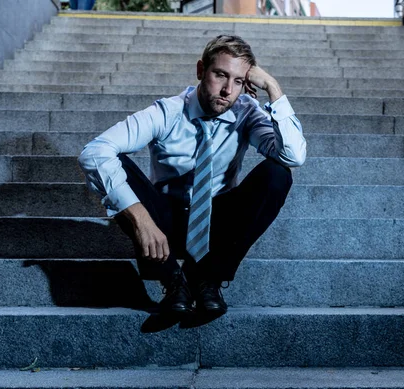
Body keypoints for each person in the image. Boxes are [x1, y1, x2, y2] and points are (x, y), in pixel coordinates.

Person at [78, 35, 307, 330]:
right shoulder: (167, 112)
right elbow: (94, 152)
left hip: (217, 223)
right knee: (116, 164)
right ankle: (174, 280)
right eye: (220, 75)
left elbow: (293, 156)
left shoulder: (246, 112)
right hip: (165, 219)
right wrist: (141, 221)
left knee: (278, 174)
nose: (227, 90)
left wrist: (273, 88)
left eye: (238, 81)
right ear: (201, 71)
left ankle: (209, 278)